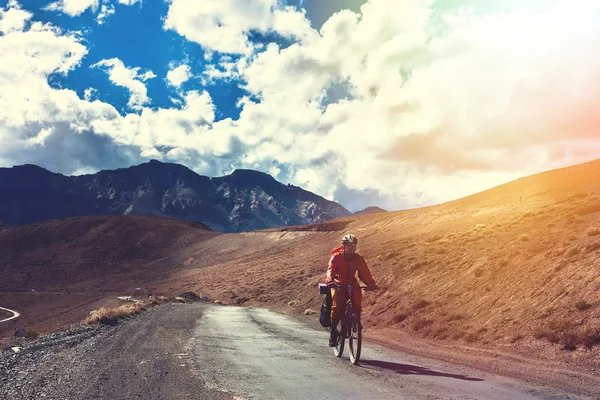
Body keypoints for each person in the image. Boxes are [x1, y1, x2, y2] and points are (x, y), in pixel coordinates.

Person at [325, 234, 378, 347]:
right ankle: (333, 331)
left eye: (353, 245)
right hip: (338, 282)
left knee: (357, 296)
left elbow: (364, 273)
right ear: (344, 246)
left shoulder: (359, 259)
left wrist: (371, 284)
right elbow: (331, 270)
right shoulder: (336, 257)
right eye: (349, 245)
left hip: (351, 282)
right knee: (337, 303)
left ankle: (356, 318)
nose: (351, 247)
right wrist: (330, 281)